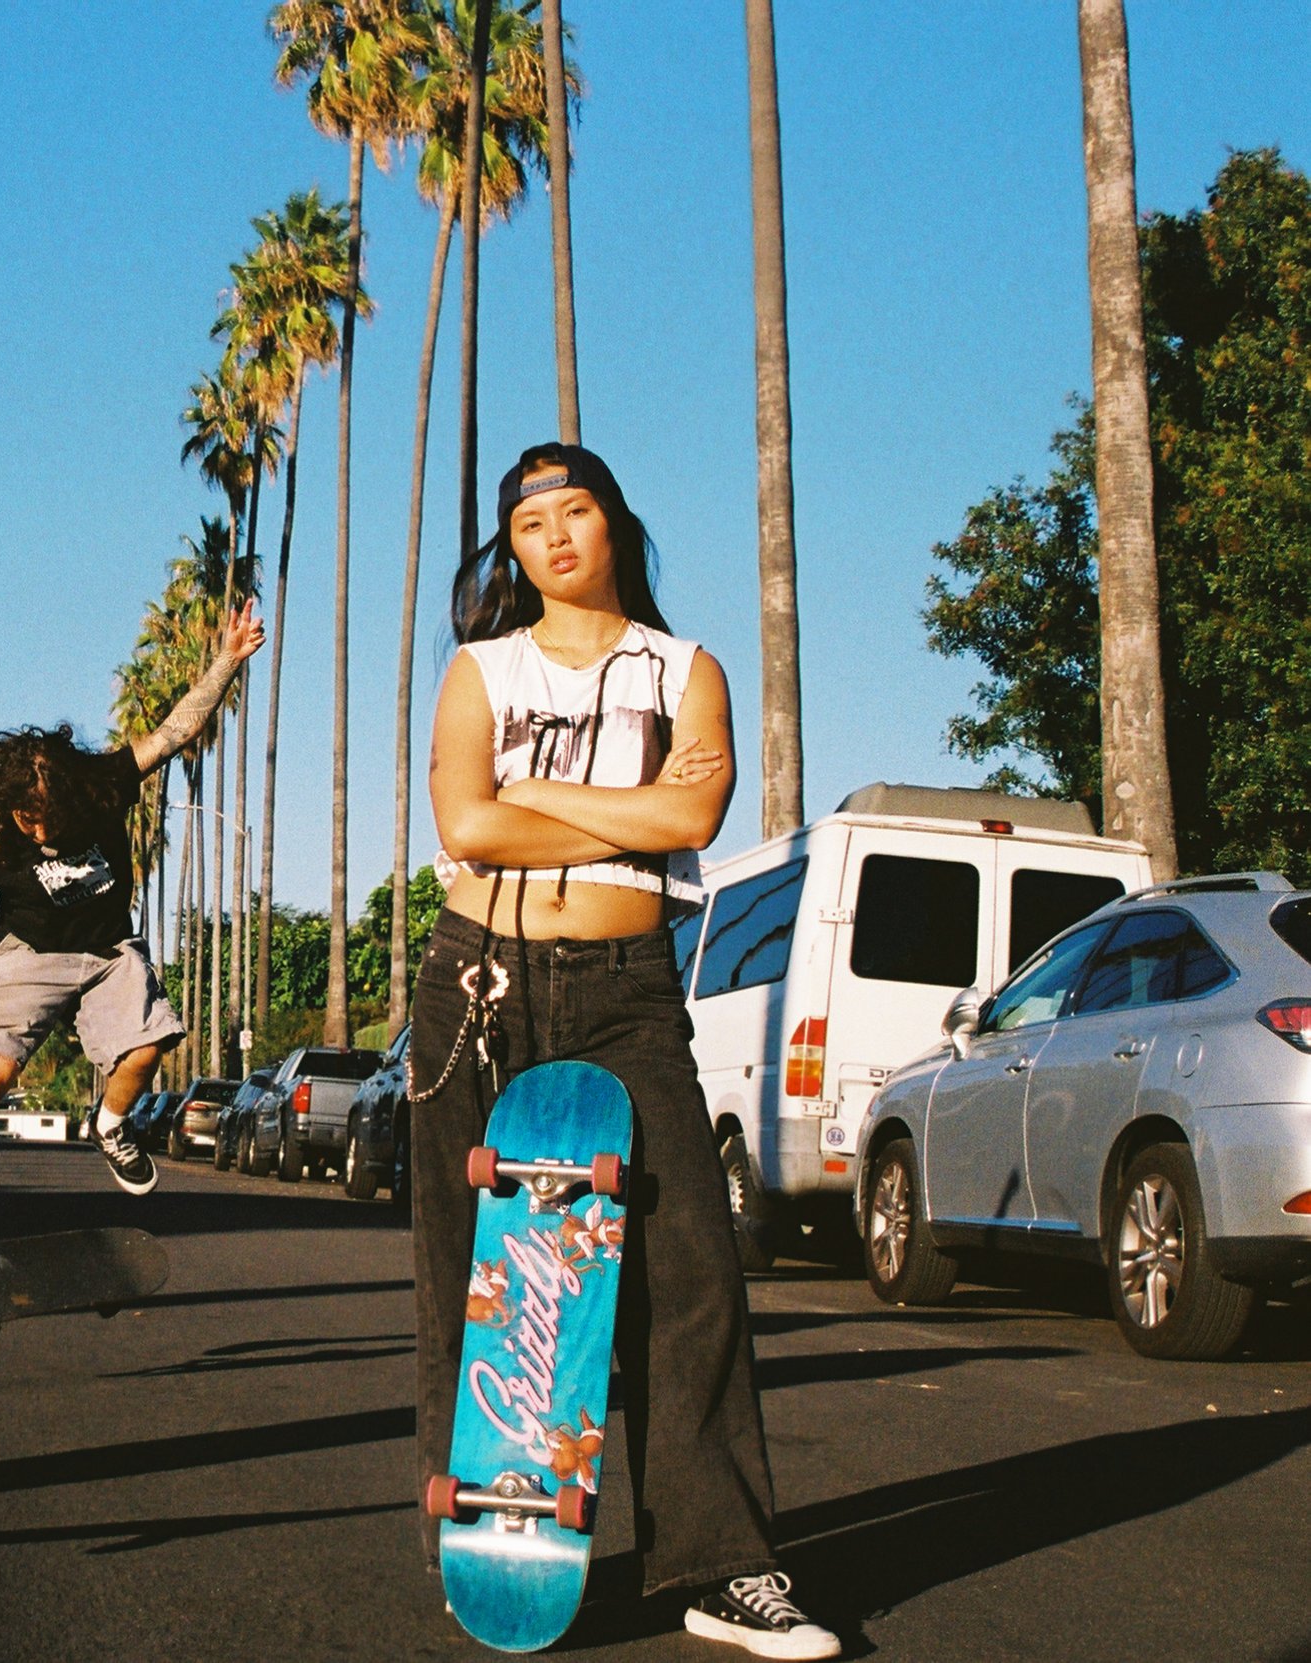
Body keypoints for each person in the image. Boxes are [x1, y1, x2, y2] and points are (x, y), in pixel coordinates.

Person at [411, 443, 838, 1658]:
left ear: (615, 525)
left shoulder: (684, 668)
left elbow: (690, 815)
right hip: (478, 984)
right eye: (528, 522)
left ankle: (723, 1565)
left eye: (575, 510)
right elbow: (463, 823)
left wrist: (530, 799)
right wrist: (621, 808)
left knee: (687, 1265)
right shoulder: (479, 669)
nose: (552, 535)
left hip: (626, 990)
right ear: (510, 550)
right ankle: (490, 1538)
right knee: (470, 1268)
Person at [0, 604, 266, 1251]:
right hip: (26, 955)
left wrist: (227, 659)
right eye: (25, 819)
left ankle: (109, 1124)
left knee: (149, 1045)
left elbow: (177, 729)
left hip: (108, 951)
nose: (36, 831)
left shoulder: (102, 783)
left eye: (46, 819)